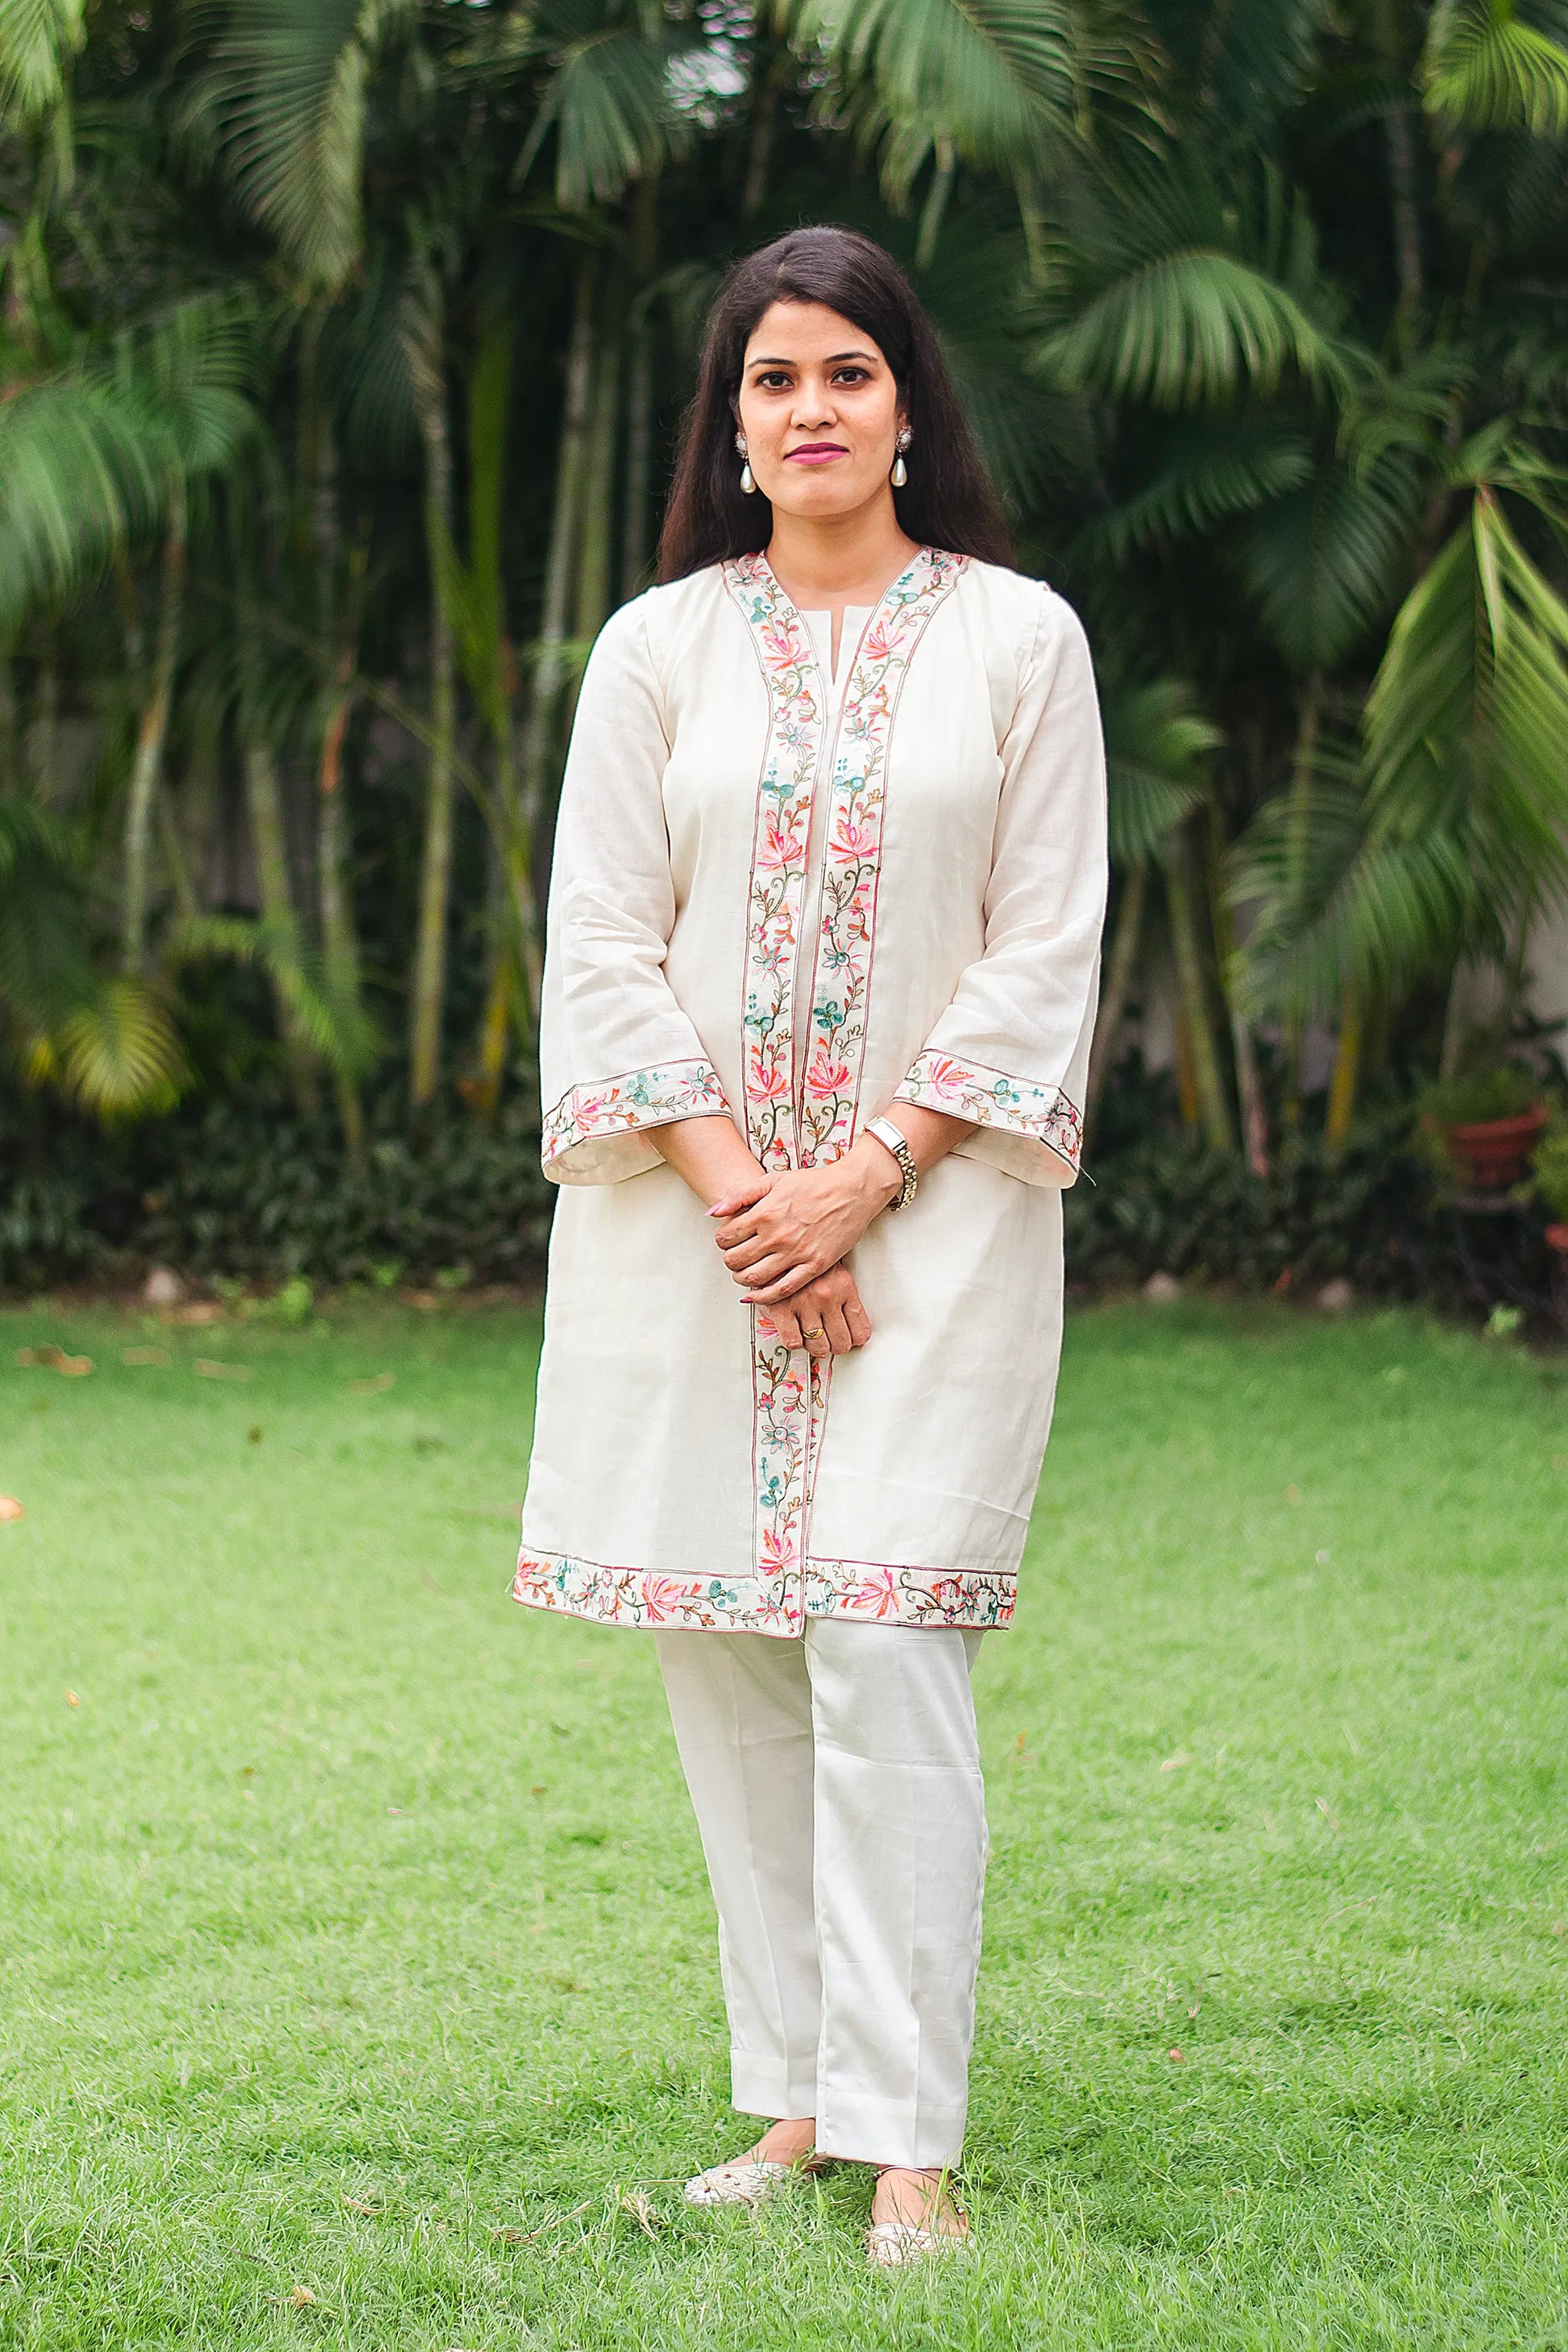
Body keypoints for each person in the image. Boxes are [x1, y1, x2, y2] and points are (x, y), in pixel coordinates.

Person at [512, 226, 1106, 2266]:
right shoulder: (655, 650)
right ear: (732, 428)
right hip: (698, 1234)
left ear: (911, 406)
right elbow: (598, 943)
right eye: (773, 380)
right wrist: (751, 1201)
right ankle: (792, 2099)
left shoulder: (1020, 640)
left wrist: (862, 1173)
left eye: (847, 371)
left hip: (933, 1229)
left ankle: (911, 2139)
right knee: (736, 1660)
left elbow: (1045, 942)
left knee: (885, 1635)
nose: (812, 409)